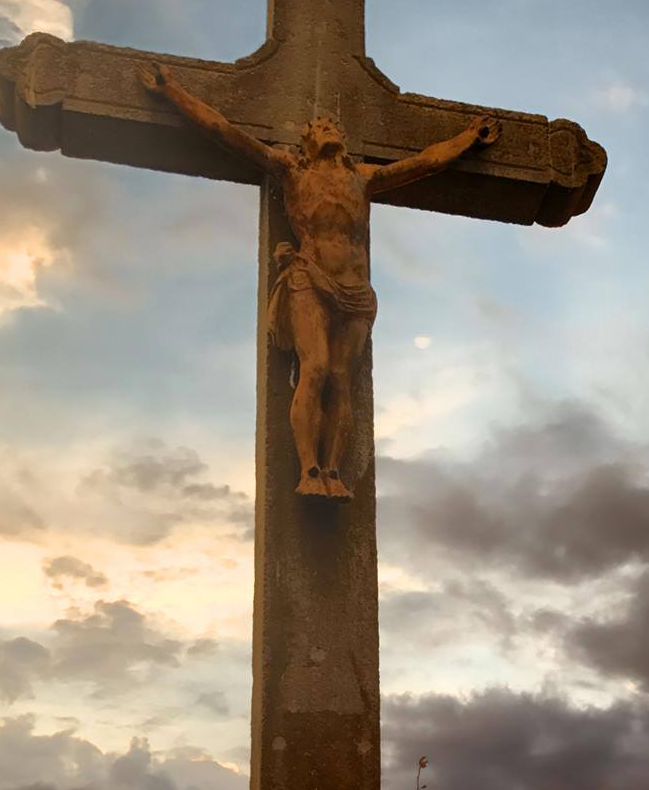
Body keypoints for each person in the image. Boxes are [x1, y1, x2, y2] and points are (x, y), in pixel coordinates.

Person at [142, 65, 497, 497]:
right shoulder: (291, 169)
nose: (328, 128)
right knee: (314, 368)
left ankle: (333, 471)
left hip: (357, 292)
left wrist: (467, 140)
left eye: (333, 125)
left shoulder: (362, 178)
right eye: (319, 126)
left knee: (340, 378)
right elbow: (225, 131)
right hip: (309, 278)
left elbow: (424, 161)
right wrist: (174, 92)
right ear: (306, 141)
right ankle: (308, 470)